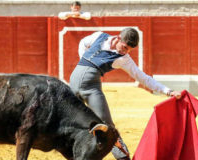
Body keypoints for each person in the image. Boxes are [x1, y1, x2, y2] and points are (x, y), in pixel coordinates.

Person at [69, 28, 182, 160]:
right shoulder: (99, 36)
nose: (126, 51)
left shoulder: (124, 59)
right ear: (118, 38)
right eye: (124, 47)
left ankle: (123, 158)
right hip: (73, 84)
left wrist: (168, 91)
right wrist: (83, 58)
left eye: (129, 49)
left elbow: (143, 77)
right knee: (72, 124)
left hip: (91, 88)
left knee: (107, 126)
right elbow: (83, 42)